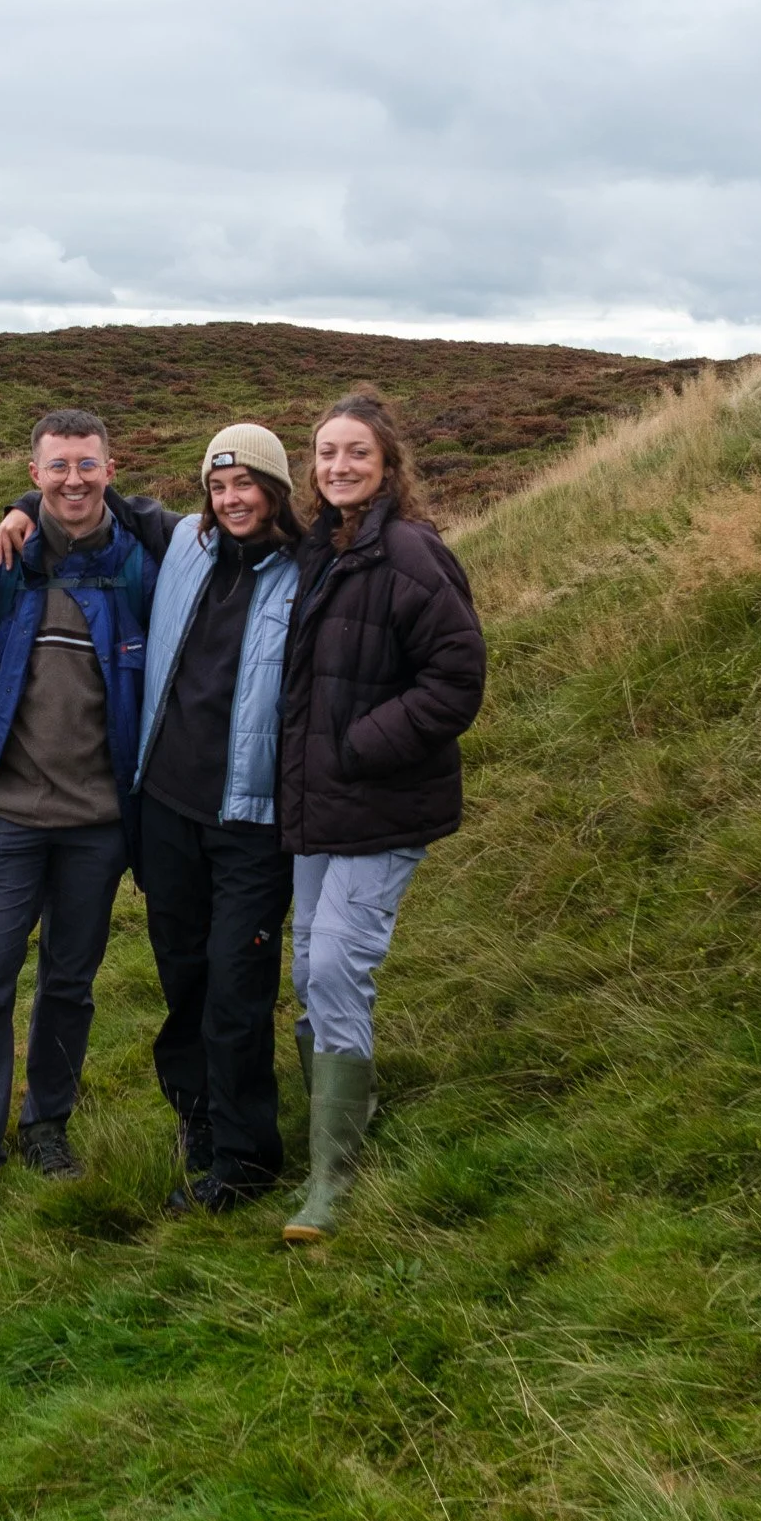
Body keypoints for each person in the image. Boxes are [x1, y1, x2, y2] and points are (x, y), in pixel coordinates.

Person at [0, 408, 159, 1238]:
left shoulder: (143, 562)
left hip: (99, 822)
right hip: (5, 818)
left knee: (69, 983)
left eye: (86, 465)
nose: (72, 480)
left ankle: (47, 1126)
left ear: (111, 465)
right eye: (56, 467)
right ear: (33, 472)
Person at [276, 389, 486, 1243]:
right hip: (316, 804)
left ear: (387, 464)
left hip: (380, 799)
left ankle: (332, 1178)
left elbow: (455, 677)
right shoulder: (320, 550)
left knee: (332, 966)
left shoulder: (407, 553)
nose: (338, 467)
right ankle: (335, 1120)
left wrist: (360, 744)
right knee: (308, 969)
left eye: (355, 453)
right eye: (325, 454)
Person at [134, 424, 304, 1212]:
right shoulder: (183, 547)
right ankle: (197, 1118)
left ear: (276, 489)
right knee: (184, 976)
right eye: (217, 486)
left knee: (237, 987)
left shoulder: (310, 572)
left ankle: (246, 1158)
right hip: (166, 806)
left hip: (251, 823)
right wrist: (20, 505)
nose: (231, 500)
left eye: (246, 485)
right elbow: (89, 500)